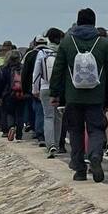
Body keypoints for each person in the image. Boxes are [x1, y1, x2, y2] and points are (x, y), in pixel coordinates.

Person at [49, 8, 108, 182]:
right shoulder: (102, 43)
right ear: (94, 22)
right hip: (96, 96)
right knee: (96, 129)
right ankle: (95, 155)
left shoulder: (67, 43)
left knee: (75, 131)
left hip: (73, 96)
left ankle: (79, 169)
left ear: (78, 22)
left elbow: (58, 69)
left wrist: (55, 93)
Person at [32, 27, 64, 157]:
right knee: (59, 117)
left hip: (45, 87)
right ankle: (56, 143)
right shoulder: (62, 52)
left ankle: (50, 145)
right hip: (60, 88)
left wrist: (35, 89)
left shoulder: (42, 53)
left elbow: (36, 72)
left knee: (48, 116)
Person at [0, 49, 27, 141]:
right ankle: (19, 134)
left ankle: (11, 127)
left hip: (8, 94)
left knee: (10, 113)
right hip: (21, 94)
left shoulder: (3, 69)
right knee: (20, 114)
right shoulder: (23, 68)